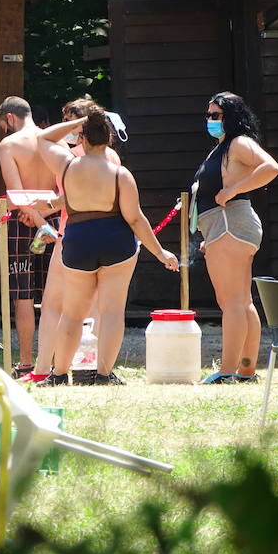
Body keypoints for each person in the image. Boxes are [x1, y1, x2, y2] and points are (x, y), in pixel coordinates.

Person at [36, 110, 178, 386]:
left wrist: (80, 121)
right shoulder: (120, 174)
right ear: (109, 138)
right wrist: (160, 252)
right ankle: (103, 374)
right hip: (115, 239)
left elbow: (44, 137)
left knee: (73, 313)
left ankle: (60, 373)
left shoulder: (66, 165)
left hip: (78, 238)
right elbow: (135, 218)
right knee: (111, 311)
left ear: (82, 139)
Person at [19, 97, 122, 384]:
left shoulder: (71, 156)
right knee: (101, 308)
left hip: (73, 233)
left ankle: (44, 368)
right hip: (110, 235)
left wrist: (50, 204)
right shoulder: (111, 157)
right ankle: (98, 369)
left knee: (54, 306)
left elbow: (75, 193)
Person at [194, 92, 278, 384]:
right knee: (242, 302)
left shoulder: (239, 143)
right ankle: (245, 370)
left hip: (231, 222)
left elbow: (270, 167)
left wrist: (232, 190)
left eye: (215, 115)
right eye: (208, 115)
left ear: (231, 116)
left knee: (231, 302)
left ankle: (227, 371)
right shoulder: (221, 147)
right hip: (222, 227)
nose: (210, 120)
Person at [0, 95, 58, 377]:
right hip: (54, 219)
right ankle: (55, 359)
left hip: (23, 222)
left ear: (10, 118)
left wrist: (32, 215)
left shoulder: (9, 144)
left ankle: (25, 362)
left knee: (22, 294)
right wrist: (43, 217)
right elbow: (64, 188)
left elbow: (17, 194)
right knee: (54, 293)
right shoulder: (55, 140)